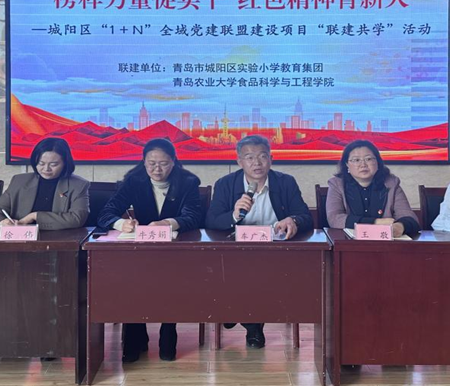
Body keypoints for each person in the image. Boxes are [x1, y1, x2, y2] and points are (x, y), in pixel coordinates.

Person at [98, 138, 204, 363]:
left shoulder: (188, 182)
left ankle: (168, 332)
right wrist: (121, 223)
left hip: (175, 252)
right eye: (151, 164)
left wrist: (169, 223)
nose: (157, 169)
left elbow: (194, 217)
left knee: (171, 281)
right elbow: (106, 213)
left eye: (163, 164)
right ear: (144, 162)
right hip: (141, 250)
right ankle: (135, 335)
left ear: (173, 162)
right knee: (131, 281)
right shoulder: (134, 180)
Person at [205, 134, 313, 349]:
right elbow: (211, 221)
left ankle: (243, 318)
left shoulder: (286, 182)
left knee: (257, 274)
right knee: (242, 272)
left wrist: (293, 220)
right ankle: (247, 320)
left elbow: (306, 217)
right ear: (239, 162)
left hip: (275, 250)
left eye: (262, 156)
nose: (257, 163)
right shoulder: (225, 184)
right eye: (250, 157)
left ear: (271, 159)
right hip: (237, 251)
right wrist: (233, 215)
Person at [0, 137, 89, 230]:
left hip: (59, 241)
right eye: (41, 163)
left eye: (53, 164)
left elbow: (77, 218)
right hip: (21, 241)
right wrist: (2, 223)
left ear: (65, 163)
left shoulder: (78, 185)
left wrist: (35, 216)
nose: (46, 169)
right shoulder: (19, 181)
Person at [325, 140, 420, 237]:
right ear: (347, 164)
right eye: (356, 160)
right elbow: (334, 218)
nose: (363, 165)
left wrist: (401, 226)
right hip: (348, 242)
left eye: (369, 159)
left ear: (377, 162)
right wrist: (375, 222)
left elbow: (410, 218)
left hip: (385, 242)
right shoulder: (337, 184)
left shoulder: (391, 184)